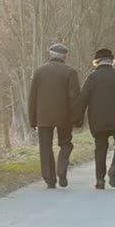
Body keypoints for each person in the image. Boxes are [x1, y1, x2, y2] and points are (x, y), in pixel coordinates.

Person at [74, 48, 115, 189]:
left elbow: (83, 98)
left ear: (96, 62)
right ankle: (114, 166)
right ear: (112, 61)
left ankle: (100, 180)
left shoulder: (92, 77)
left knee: (100, 148)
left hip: (98, 120)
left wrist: (77, 118)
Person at [29, 43, 80, 189]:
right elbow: (74, 97)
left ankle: (49, 179)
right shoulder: (70, 72)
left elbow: (33, 98)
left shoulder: (39, 71)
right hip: (65, 116)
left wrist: (33, 120)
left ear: (50, 54)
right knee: (66, 143)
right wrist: (76, 118)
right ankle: (62, 169)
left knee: (45, 147)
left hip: (43, 117)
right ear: (64, 56)